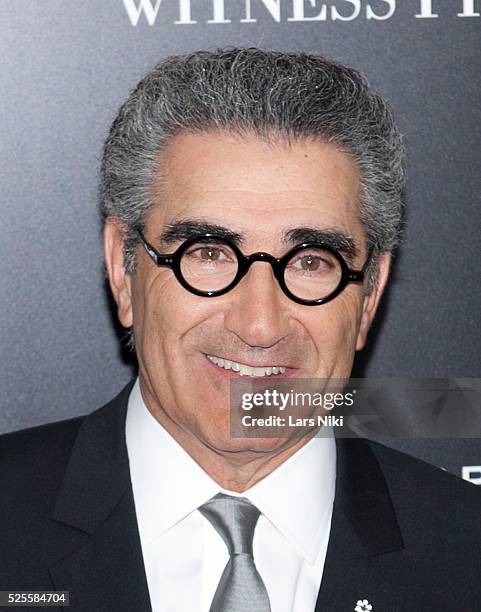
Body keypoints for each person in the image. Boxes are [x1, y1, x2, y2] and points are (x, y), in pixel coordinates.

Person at [1, 48, 480, 612]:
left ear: (370, 291)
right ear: (122, 267)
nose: (259, 325)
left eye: (309, 261)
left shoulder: (465, 553)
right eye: (209, 253)